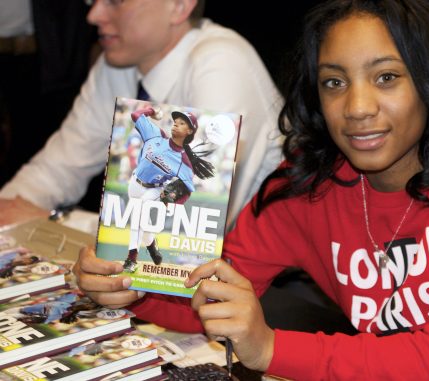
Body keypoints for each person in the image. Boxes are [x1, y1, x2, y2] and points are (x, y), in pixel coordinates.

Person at [75, 0, 429, 379]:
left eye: (387, 77)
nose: (356, 107)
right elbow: (209, 297)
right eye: (334, 82)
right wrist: (133, 286)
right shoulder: (306, 188)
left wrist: (270, 348)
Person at [0, 0, 283, 230]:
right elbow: (59, 168)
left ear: (179, 6)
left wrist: (49, 221)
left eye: (115, 1)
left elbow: (186, 227)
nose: (93, 15)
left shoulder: (221, 64)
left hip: (275, 286)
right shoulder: (118, 65)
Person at [121, 106, 215, 272]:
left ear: (190, 131)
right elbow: (135, 114)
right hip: (134, 183)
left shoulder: (183, 161)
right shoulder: (156, 135)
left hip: (155, 190)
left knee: (138, 212)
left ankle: (131, 258)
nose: (175, 125)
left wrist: (171, 203)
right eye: (175, 122)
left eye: (182, 123)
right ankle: (152, 246)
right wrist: (152, 111)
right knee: (143, 222)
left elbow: (187, 190)